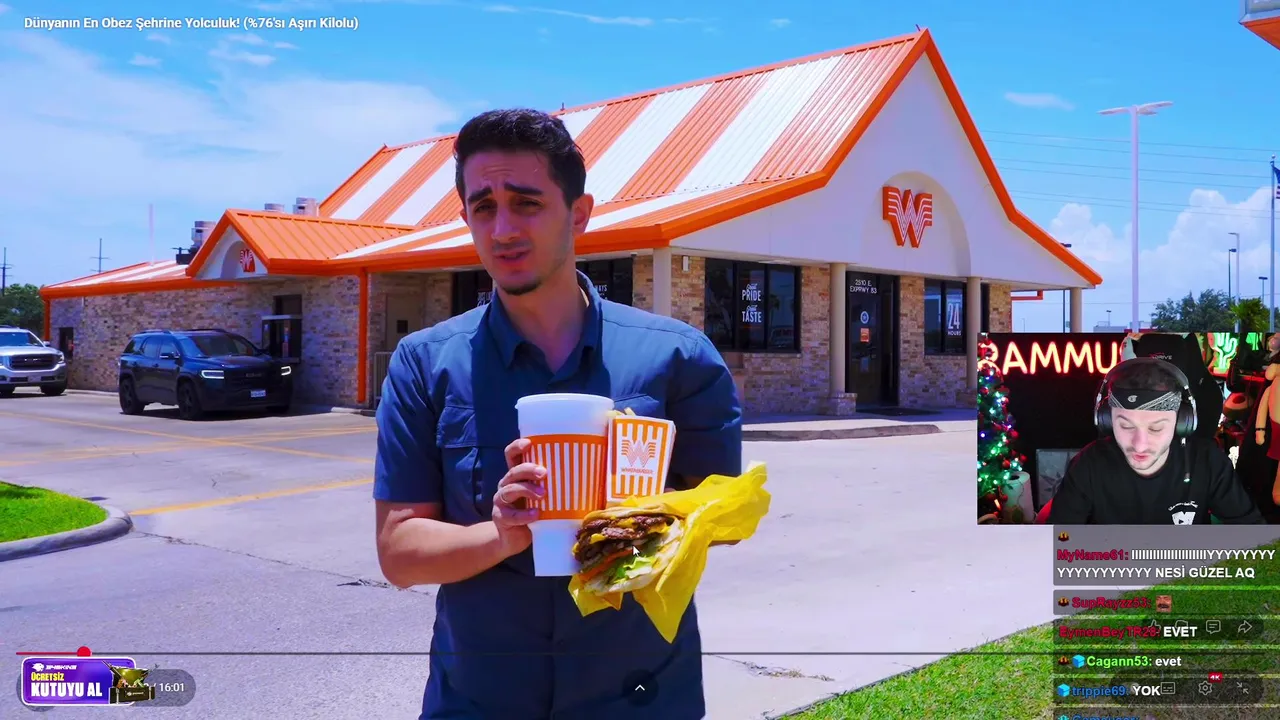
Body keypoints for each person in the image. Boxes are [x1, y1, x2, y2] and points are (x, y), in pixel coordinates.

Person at [372, 108, 742, 719]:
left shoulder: (677, 356)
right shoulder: (425, 363)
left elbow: (724, 519)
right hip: (480, 700)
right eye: (484, 207)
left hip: (640, 696)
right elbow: (400, 551)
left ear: (579, 213)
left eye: (526, 202)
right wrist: (502, 534)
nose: (502, 228)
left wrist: (639, 516)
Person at [1048, 356, 1263, 525]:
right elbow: (1059, 539)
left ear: (1182, 422)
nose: (1139, 444)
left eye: (1156, 428)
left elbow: (1254, 537)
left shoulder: (1208, 461)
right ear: (1106, 420)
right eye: (1126, 426)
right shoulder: (1088, 464)